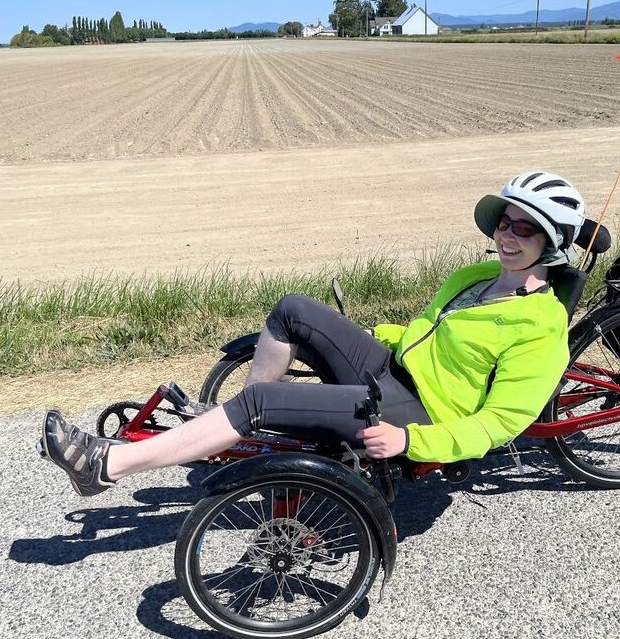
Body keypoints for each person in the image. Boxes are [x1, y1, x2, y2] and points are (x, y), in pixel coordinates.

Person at [40, 171, 585, 496]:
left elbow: (502, 423)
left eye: (524, 228)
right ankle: (233, 427)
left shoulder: (542, 327)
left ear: (552, 242)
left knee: (261, 400)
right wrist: (375, 334)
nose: (506, 235)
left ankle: (105, 466)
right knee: (293, 310)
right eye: (503, 221)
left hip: (421, 415)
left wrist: (411, 442)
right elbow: (431, 334)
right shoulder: (475, 277)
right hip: (393, 372)